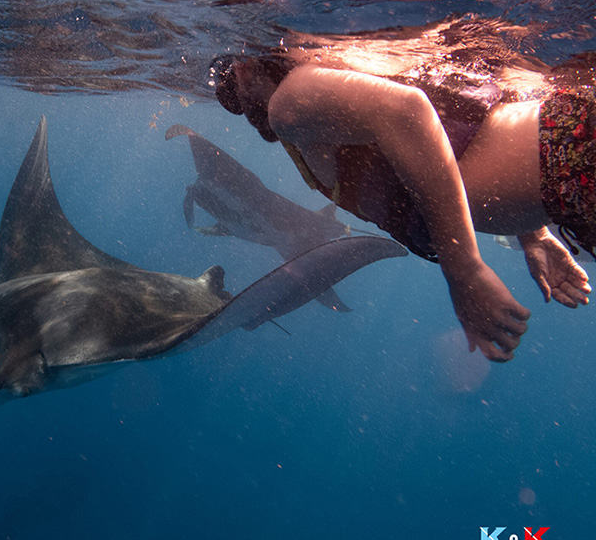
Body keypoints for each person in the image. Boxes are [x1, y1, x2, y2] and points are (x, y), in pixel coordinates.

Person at [212, 21, 592, 361]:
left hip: (574, 162)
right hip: (568, 168)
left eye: (236, 98)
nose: (246, 113)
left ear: (245, 68)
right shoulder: (322, 90)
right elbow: (476, 132)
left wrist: (465, 271)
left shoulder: (288, 103)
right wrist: (534, 234)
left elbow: (406, 112)